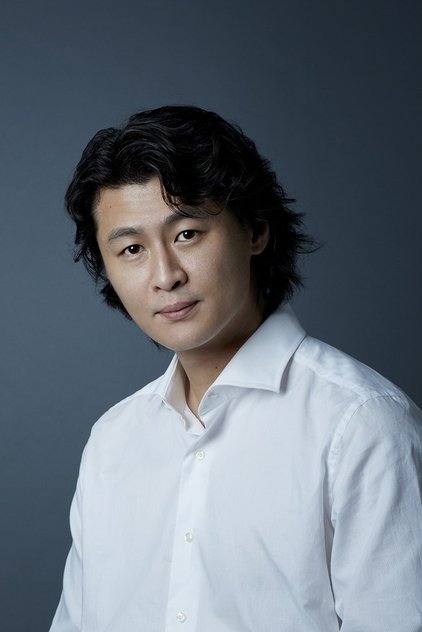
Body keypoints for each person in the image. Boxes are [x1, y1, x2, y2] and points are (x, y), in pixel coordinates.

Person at [50, 105, 422, 632]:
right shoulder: (113, 441)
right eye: (131, 248)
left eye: (187, 234)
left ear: (255, 230)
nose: (165, 276)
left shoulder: (360, 424)